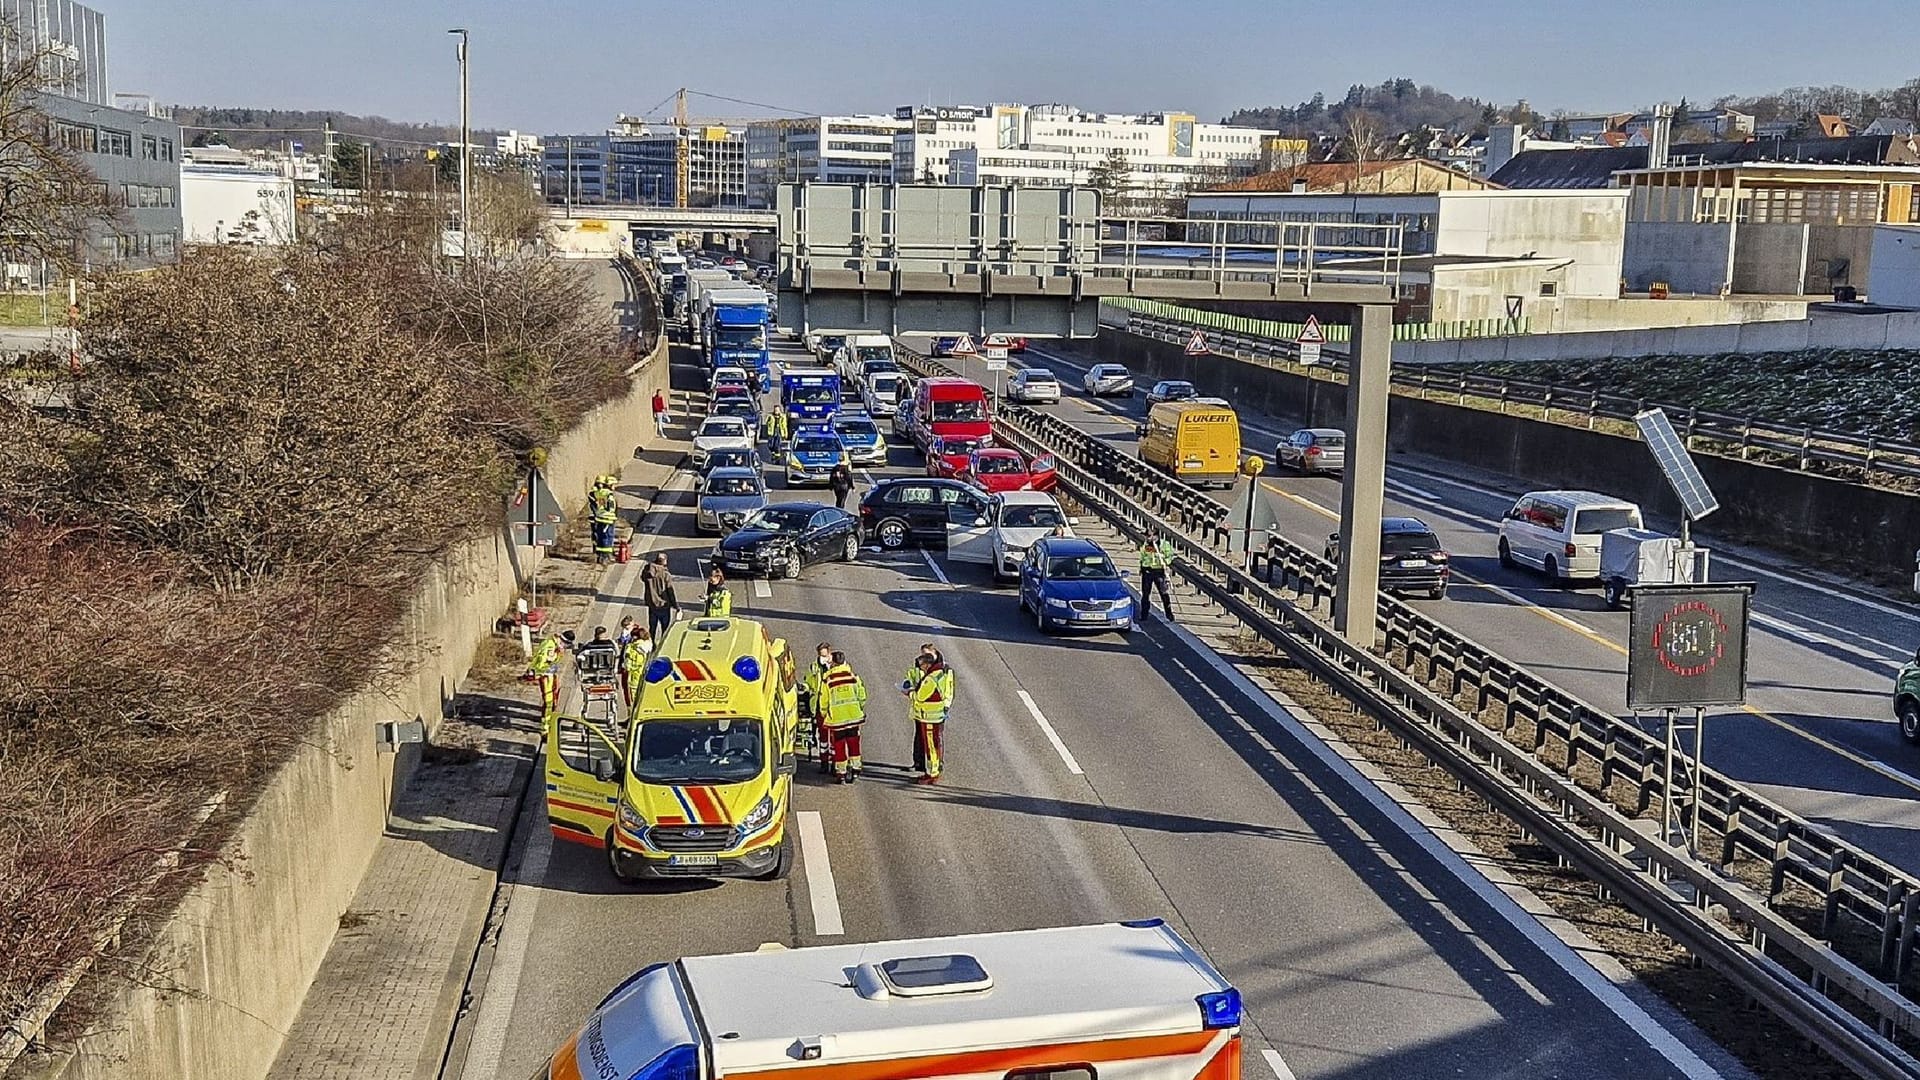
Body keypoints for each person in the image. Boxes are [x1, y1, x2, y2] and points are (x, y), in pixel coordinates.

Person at [905, 652, 955, 784]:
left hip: (928, 717)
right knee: (935, 744)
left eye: (922, 666)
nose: (921, 669)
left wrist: (909, 693)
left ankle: (931, 774)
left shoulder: (930, 679)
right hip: (936, 715)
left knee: (931, 746)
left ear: (927, 664)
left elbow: (920, 696)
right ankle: (934, 770)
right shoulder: (941, 673)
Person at [819, 651, 868, 784]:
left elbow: (824, 700)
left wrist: (824, 714)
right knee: (854, 743)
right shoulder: (852, 676)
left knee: (839, 745)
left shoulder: (828, 680)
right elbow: (862, 695)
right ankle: (856, 769)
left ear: (833, 663)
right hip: (853, 716)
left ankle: (841, 773)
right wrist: (858, 707)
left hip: (837, 719)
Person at [801, 642, 834, 773]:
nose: (823, 658)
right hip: (819, 707)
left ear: (830, 653)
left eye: (825, 655)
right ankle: (824, 763)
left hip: (833, 708)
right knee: (823, 739)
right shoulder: (814, 667)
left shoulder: (836, 667)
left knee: (834, 739)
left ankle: (836, 764)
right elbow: (808, 682)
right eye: (821, 655)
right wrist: (804, 688)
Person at [1137, 528, 1177, 623]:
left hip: (1159, 572)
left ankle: (1169, 614)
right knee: (1145, 594)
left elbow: (1170, 556)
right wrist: (1141, 567)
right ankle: (1144, 615)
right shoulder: (1146, 545)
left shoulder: (1164, 545)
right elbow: (1143, 556)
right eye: (1146, 536)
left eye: (1149, 536)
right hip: (1147, 572)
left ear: (1156, 536)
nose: (1147, 538)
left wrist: (1164, 560)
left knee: (1164, 594)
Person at [641, 553, 678, 641]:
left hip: (652, 604)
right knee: (665, 630)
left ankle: (652, 644)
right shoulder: (665, 574)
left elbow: (642, 578)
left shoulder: (647, 571)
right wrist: (675, 605)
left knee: (652, 628)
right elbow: (670, 591)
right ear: (664, 561)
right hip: (664, 605)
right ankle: (662, 645)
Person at [527, 628, 562, 722]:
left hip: (550, 674)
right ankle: (546, 723)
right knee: (548, 699)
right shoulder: (550, 646)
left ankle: (549, 716)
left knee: (552, 695)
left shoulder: (551, 644)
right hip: (546, 675)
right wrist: (539, 671)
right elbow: (544, 660)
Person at [620, 624, 653, 711]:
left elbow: (629, 660)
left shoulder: (635, 647)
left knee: (631, 697)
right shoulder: (647, 644)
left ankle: (631, 715)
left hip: (632, 675)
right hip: (641, 673)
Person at [588, 476, 619, 566]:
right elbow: (611, 507)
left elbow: (591, 495)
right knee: (607, 538)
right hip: (608, 519)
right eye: (613, 485)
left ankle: (600, 556)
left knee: (600, 537)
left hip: (600, 518)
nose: (614, 487)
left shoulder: (599, 493)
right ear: (610, 485)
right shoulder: (609, 494)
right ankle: (606, 557)